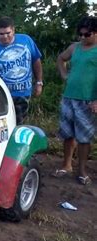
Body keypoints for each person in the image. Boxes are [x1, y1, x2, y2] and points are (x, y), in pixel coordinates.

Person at [54, 16, 97, 185]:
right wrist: (64, 75)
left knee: (84, 137)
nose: (82, 38)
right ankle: (66, 165)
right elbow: (60, 58)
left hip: (88, 100)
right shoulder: (75, 48)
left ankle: (82, 171)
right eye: (80, 34)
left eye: (87, 35)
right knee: (67, 133)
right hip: (69, 97)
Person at [0, 16, 43, 125]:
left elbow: (36, 60)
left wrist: (39, 82)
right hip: (3, 96)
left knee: (19, 125)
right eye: (1, 34)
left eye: (8, 33)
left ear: (13, 30)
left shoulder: (26, 40)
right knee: (4, 126)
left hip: (23, 93)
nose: (5, 37)